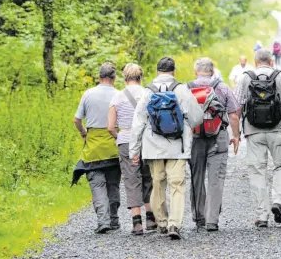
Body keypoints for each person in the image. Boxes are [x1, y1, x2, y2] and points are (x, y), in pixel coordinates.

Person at [129, 57, 203, 240]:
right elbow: (196, 118)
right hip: (177, 145)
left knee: (157, 183)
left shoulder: (148, 91)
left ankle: (161, 222)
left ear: (157, 71)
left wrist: (134, 151)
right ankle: (174, 225)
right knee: (177, 185)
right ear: (173, 71)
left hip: (152, 147)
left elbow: (138, 122)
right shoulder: (181, 89)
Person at [234, 49, 281, 228]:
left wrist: (236, 133)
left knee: (257, 170)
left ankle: (261, 215)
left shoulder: (244, 77)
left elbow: (237, 108)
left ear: (255, 62)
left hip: (253, 130)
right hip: (278, 129)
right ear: (271, 61)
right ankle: (278, 201)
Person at [186, 57, 241, 232]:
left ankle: (198, 217)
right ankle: (212, 220)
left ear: (195, 71)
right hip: (218, 137)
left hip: (194, 138)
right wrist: (237, 136)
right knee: (216, 179)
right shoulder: (222, 87)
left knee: (197, 177)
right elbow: (233, 114)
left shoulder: (186, 88)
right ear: (212, 70)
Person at [107, 63, 156, 235]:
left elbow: (110, 126)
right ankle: (151, 218)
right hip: (147, 141)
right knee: (148, 177)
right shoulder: (148, 94)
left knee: (131, 178)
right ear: (140, 76)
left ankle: (137, 222)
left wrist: (118, 136)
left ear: (125, 77)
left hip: (126, 140)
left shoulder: (117, 97)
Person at [72, 62, 121, 234]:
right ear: (114, 78)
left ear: (99, 77)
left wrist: (83, 133)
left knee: (97, 185)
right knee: (113, 184)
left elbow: (77, 120)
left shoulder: (88, 94)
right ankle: (114, 219)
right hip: (114, 147)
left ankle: (103, 221)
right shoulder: (118, 95)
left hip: (93, 149)